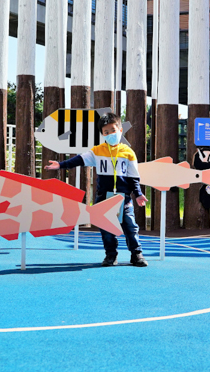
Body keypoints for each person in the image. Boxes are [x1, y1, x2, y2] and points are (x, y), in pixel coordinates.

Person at [45, 112, 148, 267]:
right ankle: (110, 255)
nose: (110, 134)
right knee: (107, 228)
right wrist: (61, 165)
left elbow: (133, 177)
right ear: (102, 134)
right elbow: (79, 159)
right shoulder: (97, 151)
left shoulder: (128, 153)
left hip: (123, 198)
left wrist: (138, 194)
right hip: (104, 197)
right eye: (106, 132)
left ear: (120, 130)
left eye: (113, 130)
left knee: (130, 227)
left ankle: (136, 254)